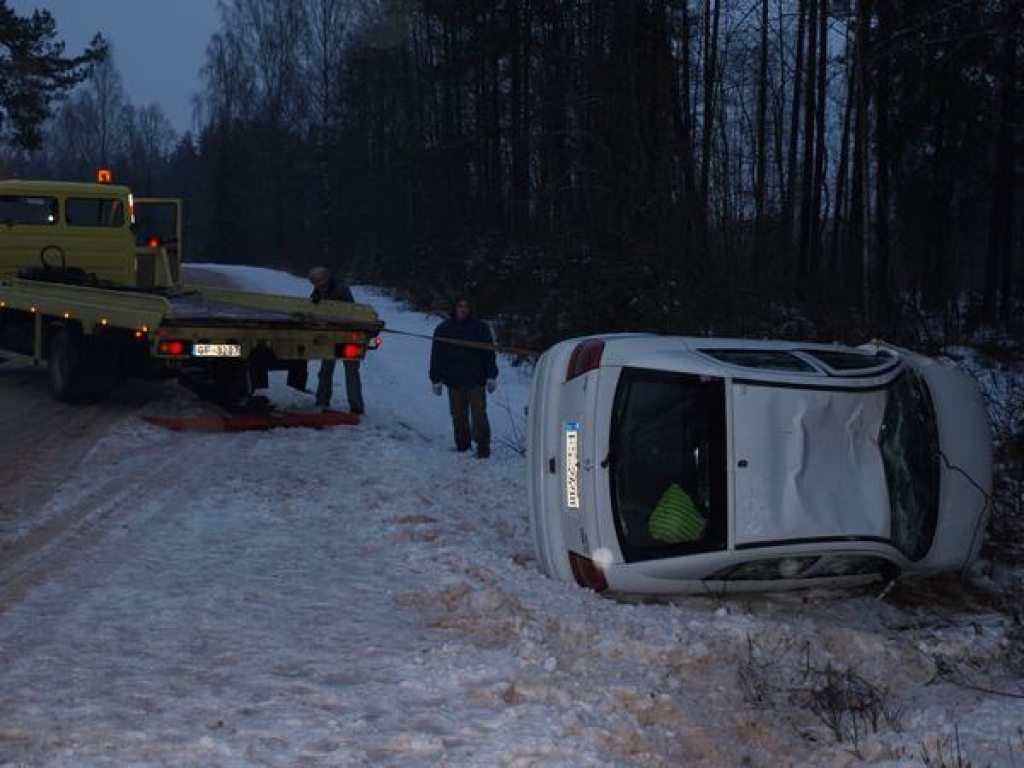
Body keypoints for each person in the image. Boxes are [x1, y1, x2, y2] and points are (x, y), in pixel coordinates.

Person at [429, 296, 498, 458]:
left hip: (477, 378)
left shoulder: (481, 328)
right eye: (460, 306)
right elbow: (436, 355)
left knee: (479, 414)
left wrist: (491, 375)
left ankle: (483, 448)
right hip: (453, 379)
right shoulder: (443, 329)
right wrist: (435, 379)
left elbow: (489, 353)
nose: (463, 309)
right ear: (455, 308)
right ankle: (462, 446)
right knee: (458, 415)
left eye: (466, 306)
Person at [308, 266, 365, 414]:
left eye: (319, 280)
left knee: (351, 372)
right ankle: (322, 401)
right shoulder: (316, 294)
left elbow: (350, 312)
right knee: (325, 370)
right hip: (329, 338)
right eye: (314, 281)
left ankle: (356, 407)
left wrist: (331, 319)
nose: (318, 284)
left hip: (347, 336)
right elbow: (313, 311)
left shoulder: (341, 290)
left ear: (326, 277)